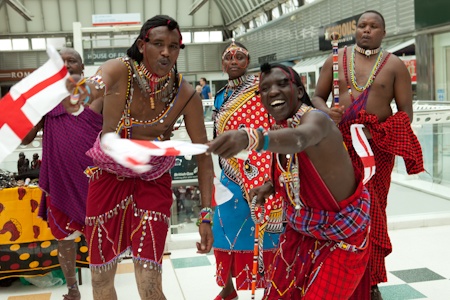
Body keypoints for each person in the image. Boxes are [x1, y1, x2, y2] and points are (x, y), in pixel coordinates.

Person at [66, 15, 214, 300]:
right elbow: (97, 82)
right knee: (100, 279)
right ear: (141, 45)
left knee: (150, 284)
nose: (166, 52)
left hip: (153, 183)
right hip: (107, 180)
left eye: (174, 45)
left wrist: (205, 216)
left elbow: (203, 156)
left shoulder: (186, 94)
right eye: (158, 44)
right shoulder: (119, 70)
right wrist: (81, 93)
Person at [208, 63, 371, 299]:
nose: (273, 91)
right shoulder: (282, 127)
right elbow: (291, 167)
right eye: (264, 88)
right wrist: (269, 186)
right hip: (302, 234)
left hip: (342, 240)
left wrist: (249, 137)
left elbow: (300, 139)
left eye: (282, 83)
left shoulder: (317, 120)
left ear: (301, 91)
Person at [311, 10, 424, 299]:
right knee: (339, 208)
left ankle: (370, 280)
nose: (367, 30)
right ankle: (338, 274)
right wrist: (327, 112)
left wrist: (378, 133)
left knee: (373, 213)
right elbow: (315, 97)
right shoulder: (336, 59)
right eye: (362, 25)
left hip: (378, 150)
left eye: (374, 27)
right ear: (355, 30)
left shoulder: (395, 65)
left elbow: (405, 114)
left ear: (383, 33)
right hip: (339, 146)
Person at [21, 48, 102, 300]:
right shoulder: (47, 100)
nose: (67, 65)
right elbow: (25, 139)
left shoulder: (96, 96)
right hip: (61, 183)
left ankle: (102, 288)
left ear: (82, 68)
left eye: (72, 61)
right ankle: (72, 289)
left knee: (98, 239)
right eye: (61, 62)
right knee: (65, 240)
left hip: (93, 183)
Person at [211, 41, 280, 300]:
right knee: (223, 230)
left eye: (239, 57)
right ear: (222, 64)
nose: (233, 61)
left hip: (259, 169)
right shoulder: (220, 96)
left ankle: (271, 289)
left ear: (247, 61)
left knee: (264, 231)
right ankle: (228, 289)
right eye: (229, 57)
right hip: (230, 172)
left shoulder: (259, 89)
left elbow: (270, 122)